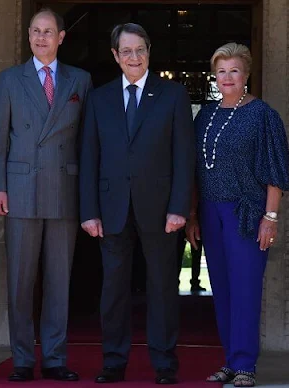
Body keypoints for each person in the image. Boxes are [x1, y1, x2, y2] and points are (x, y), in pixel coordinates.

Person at [79, 23, 195, 385]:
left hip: (161, 210)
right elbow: (89, 159)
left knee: (161, 287)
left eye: (139, 50)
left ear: (149, 52)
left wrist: (179, 207)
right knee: (113, 289)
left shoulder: (173, 95)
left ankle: (164, 363)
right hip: (111, 208)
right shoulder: (99, 99)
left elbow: (184, 156)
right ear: (115, 55)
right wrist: (88, 211)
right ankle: (113, 361)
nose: (133, 57)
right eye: (126, 51)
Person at [0, 8, 93, 383]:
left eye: (48, 32)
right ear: (29, 35)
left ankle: (54, 357)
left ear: (61, 37)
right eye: (35, 31)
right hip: (19, 190)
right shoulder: (9, 80)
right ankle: (20, 358)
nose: (41, 38)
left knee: (58, 280)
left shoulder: (80, 81)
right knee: (20, 279)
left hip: (64, 189)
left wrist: (88, 194)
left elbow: (86, 143)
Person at [186, 43, 289, 387]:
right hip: (210, 211)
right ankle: (231, 361)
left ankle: (246, 364)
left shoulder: (263, 114)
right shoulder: (205, 114)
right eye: (221, 71)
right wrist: (192, 215)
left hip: (246, 211)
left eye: (234, 71)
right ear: (214, 76)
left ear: (245, 75)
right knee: (223, 290)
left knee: (245, 288)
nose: (227, 77)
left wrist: (270, 217)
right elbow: (195, 169)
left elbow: (275, 170)